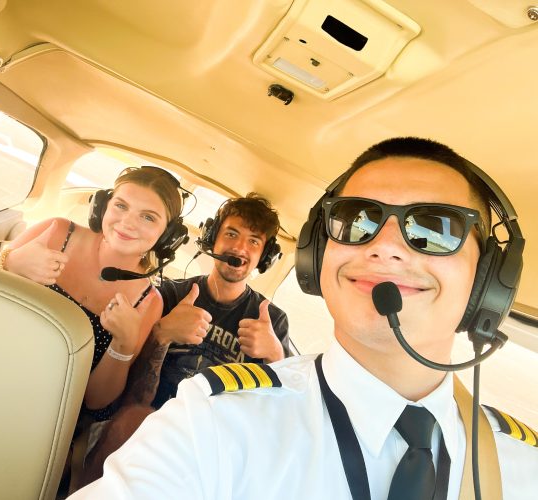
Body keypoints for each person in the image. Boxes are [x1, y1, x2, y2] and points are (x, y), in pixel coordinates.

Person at [70, 138, 537, 499]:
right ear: (319, 256)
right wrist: (160, 336)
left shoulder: (525, 466)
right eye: (357, 220)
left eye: (435, 228)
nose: (385, 246)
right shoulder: (211, 420)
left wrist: (274, 355)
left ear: (489, 279)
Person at [76, 193, 290, 485]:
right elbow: (134, 396)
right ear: (212, 239)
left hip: (216, 438)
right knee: (133, 418)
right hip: (147, 417)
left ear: (264, 256)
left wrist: (275, 356)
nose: (240, 247)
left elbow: (280, 414)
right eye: (231, 234)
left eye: (254, 241)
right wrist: (162, 334)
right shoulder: (169, 294)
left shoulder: (272, 321)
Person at [0, 166, 187, 421]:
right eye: (121, 206)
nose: (127, 222)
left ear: (167, 237)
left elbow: (95, 401)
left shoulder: (148, 302)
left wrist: (123, 344)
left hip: (47, 413)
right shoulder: (56, 232)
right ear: (102, 206)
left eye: (148, 217)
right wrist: (9, 262)